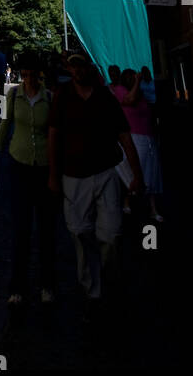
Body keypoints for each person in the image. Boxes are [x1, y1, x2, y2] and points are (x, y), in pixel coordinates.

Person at [48, 51, 143, 313]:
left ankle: (106, 281)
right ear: (69, 69)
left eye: (83, 65)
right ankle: (93, 291)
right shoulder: (63, 96)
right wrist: (53, 175)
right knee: (79, 231)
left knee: (111, 234)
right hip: (73, 175)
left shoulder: (105, 97)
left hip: (104, 172)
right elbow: (54, 135)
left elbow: (124, 135)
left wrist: (137, 174)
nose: (78, 70)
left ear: (90, 67)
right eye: (74, 66)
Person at [0, 50, 56, 306]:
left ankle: (47, 285)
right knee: (21, 229)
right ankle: (17, 287)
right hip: (19, 166)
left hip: (44, 168)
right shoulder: (14, 95)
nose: (26, 79)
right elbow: (4, 125)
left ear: (38, 74)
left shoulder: (49, 98)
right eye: (23, 74)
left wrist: (55, 170)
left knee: (47, 230)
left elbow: (54, 132)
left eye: (30, 74)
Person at [113, 68, 164, 222]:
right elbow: (130, 100)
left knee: (152, 174)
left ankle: (153, 208)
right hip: (134, 137)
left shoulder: (141, 94)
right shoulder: (120, 90)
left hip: (148, 137)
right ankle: (128, 201)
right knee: (135, 172)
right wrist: (137, 82)